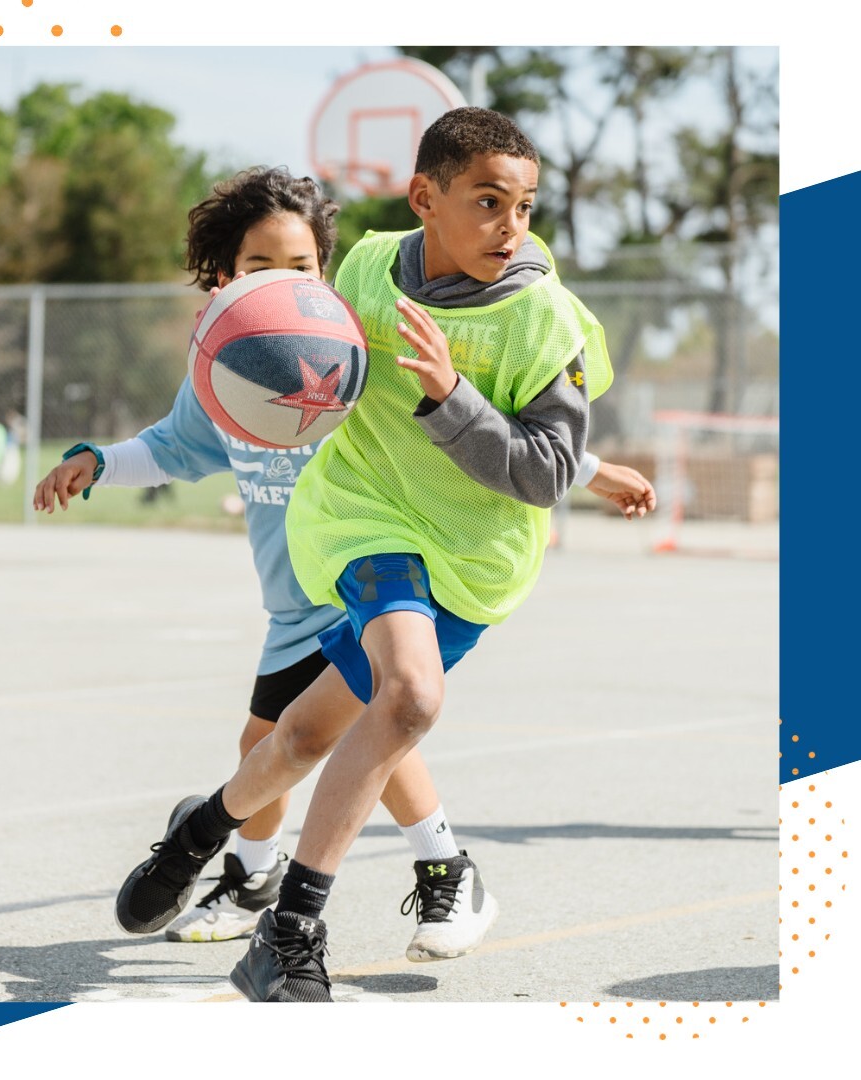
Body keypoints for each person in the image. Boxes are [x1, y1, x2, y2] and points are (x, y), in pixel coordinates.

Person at [35, 157, 650, 982]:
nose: (288, 282)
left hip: (365, 574)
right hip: (294, 600)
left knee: (387, 707)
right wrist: (97, 462)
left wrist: (587, 467)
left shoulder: (343, 348)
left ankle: (405, 874)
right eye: (262, 267)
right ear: (224, 277)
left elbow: (461, 425)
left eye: (304, 267)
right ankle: (244, 863)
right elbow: (175, 448)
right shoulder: (227, 374)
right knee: (278, 743)